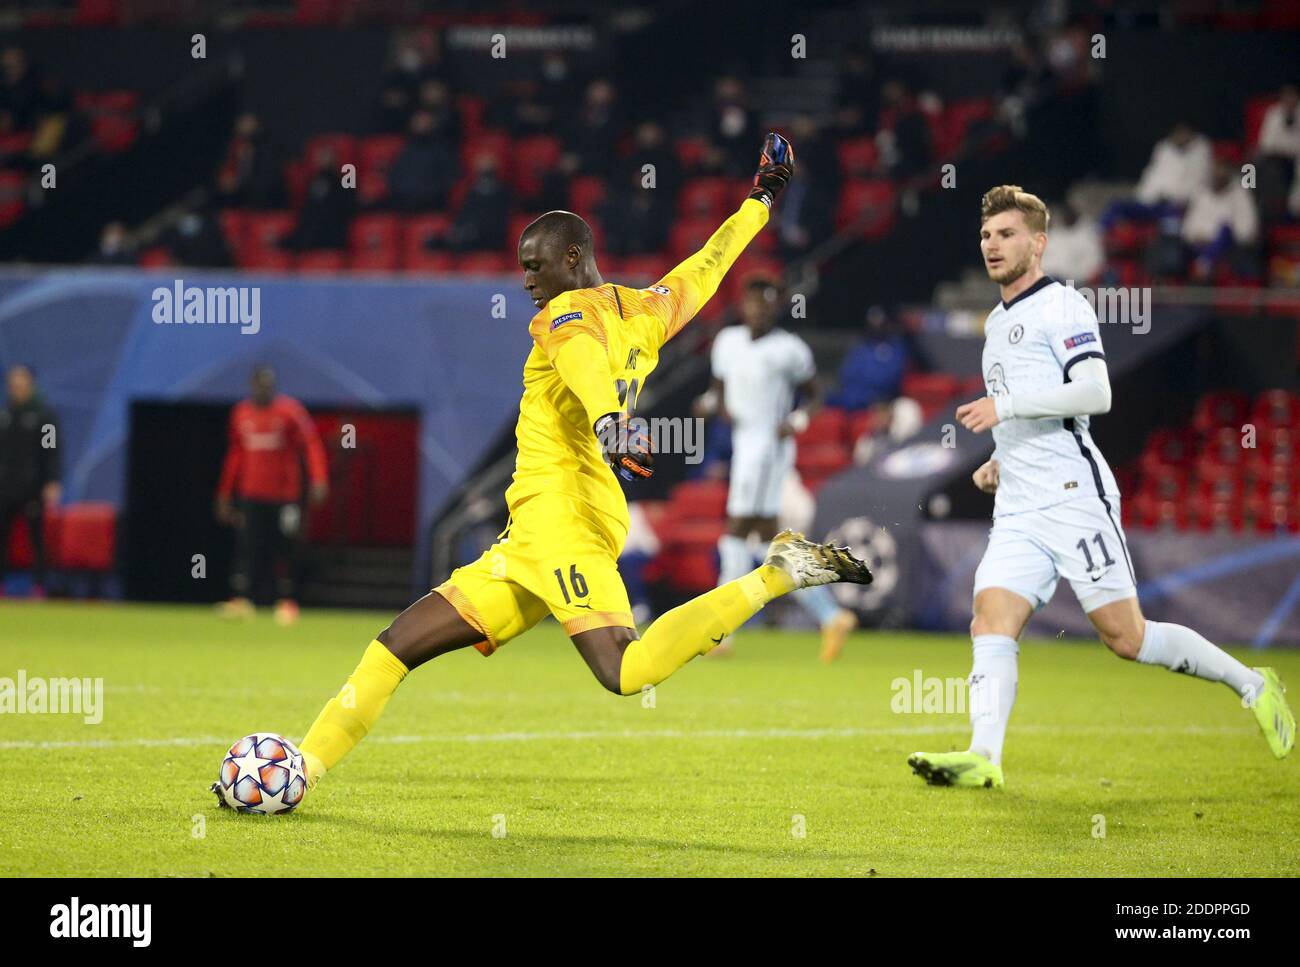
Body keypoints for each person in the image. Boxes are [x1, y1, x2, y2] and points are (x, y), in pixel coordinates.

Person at [252, 134, 872, 807]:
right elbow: (708, 264)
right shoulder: (647, 310)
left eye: (533, 263)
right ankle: (303, 769)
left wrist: (608, 422)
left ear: (572, 257)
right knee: (395, 645)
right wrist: (761, 200)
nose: (525, 279)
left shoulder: (564, 315)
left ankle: (777, 573)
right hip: (534, 535)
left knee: (625, 670)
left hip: (566, 522)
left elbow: (581, 360)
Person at [907, 186, 1294, 790]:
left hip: (1072, 495)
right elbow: (1034, 414)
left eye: (1007, 234)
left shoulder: (1063, 305)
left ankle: (1252, 683)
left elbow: (1095, 394)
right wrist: (1000, 463)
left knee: (1126, 637)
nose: (992, 244)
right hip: (1019, 507)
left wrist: (1004, 408)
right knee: (990, 621)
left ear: (1038, 243)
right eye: (986, 235)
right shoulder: (996, 321)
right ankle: (984, 756)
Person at [698, 274, 859, 662]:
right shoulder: (727, 342)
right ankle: (831, 615)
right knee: (770, 543)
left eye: (767, 303)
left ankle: (722, 632)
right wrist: (710, 405)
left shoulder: (790, 349)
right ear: (743, 305)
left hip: (769, 446)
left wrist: (797, 422)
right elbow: (719, 389)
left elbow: (816, 396)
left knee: (737, 532)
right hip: (742, 443)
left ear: (777, 307)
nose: (759, 309)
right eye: (753, 302)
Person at [215, 366, 328, 626]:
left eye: (268, 385)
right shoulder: (241, 413)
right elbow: (235, 455)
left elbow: (311, 444)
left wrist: (318, 478)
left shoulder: (290, 411)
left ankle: (287, 602)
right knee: (247, 546)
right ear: (251, 386)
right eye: (259, 385)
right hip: (250, 494)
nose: (263, 390)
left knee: (286, 546)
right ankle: (242, 601)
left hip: (285, 496)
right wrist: (224, 493)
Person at [0, 364, 60, 597]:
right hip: (5, 487)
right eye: (12, 382)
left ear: (31, 383)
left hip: (33, 488)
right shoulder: (4, 416)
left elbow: (52, 450)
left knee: (36, 539)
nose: (17, 386)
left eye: (21, 381)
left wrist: (52, 480)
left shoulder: (45, 418)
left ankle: (38, 587)